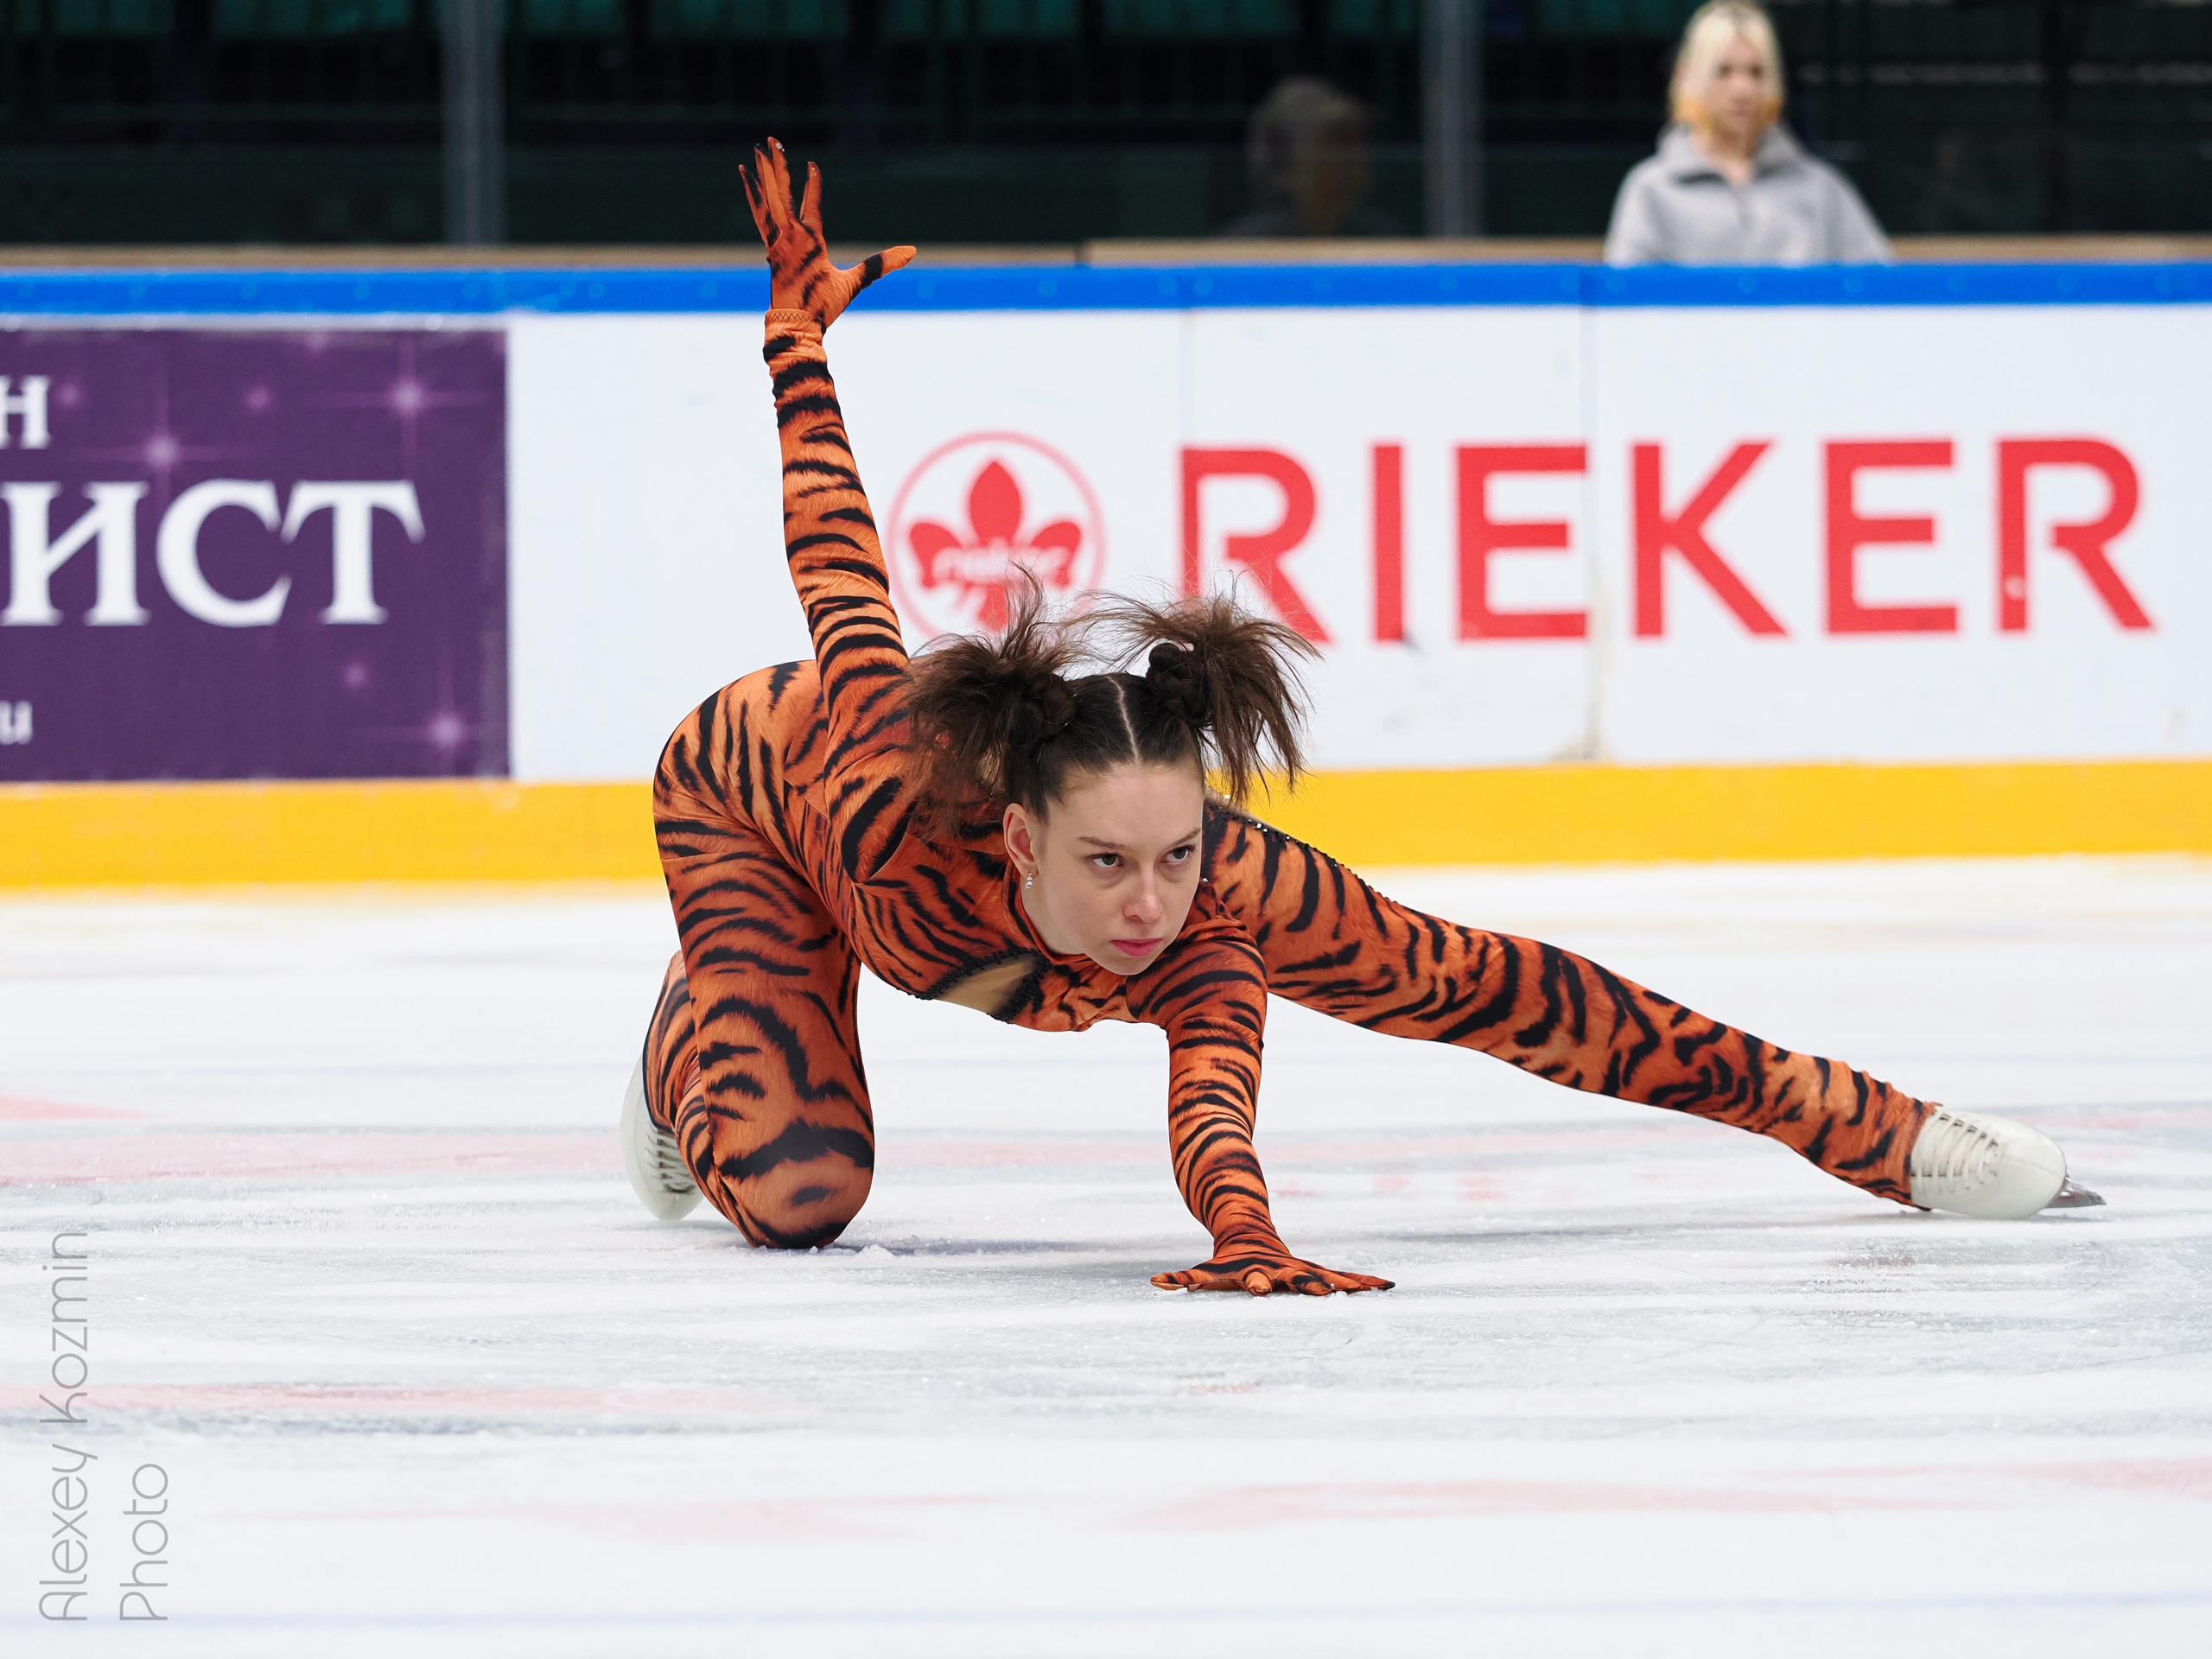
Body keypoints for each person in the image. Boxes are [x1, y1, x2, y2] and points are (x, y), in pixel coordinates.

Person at [620, 140, 2097, 1296]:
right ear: (1016, 834)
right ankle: (688, 1031)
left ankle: (1872, 1126)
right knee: (800, 1199)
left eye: (1179, 854)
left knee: (1462, 978)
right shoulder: (900, 797)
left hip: (915, 856)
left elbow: (1252, 1087)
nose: (1152, 906)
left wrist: (1245, 1235)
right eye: (1108, 867)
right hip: (755, 809)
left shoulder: (1215, 905)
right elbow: (844, 576)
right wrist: (795, 349)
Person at [1605, 0, 1890, 266]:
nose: (1743, 89)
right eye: (1723, 71)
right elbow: (1627, 303)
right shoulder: (1651, 189)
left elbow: (1878, 290)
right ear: (1686, 77)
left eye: (1756, 72)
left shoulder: (1821, 188)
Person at [1215, 76, 1398, 239]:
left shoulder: (1384, 242)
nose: (1356, 155)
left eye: (1359, 140)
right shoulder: (1242, 249)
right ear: (1286, 157)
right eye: (1339, 140)